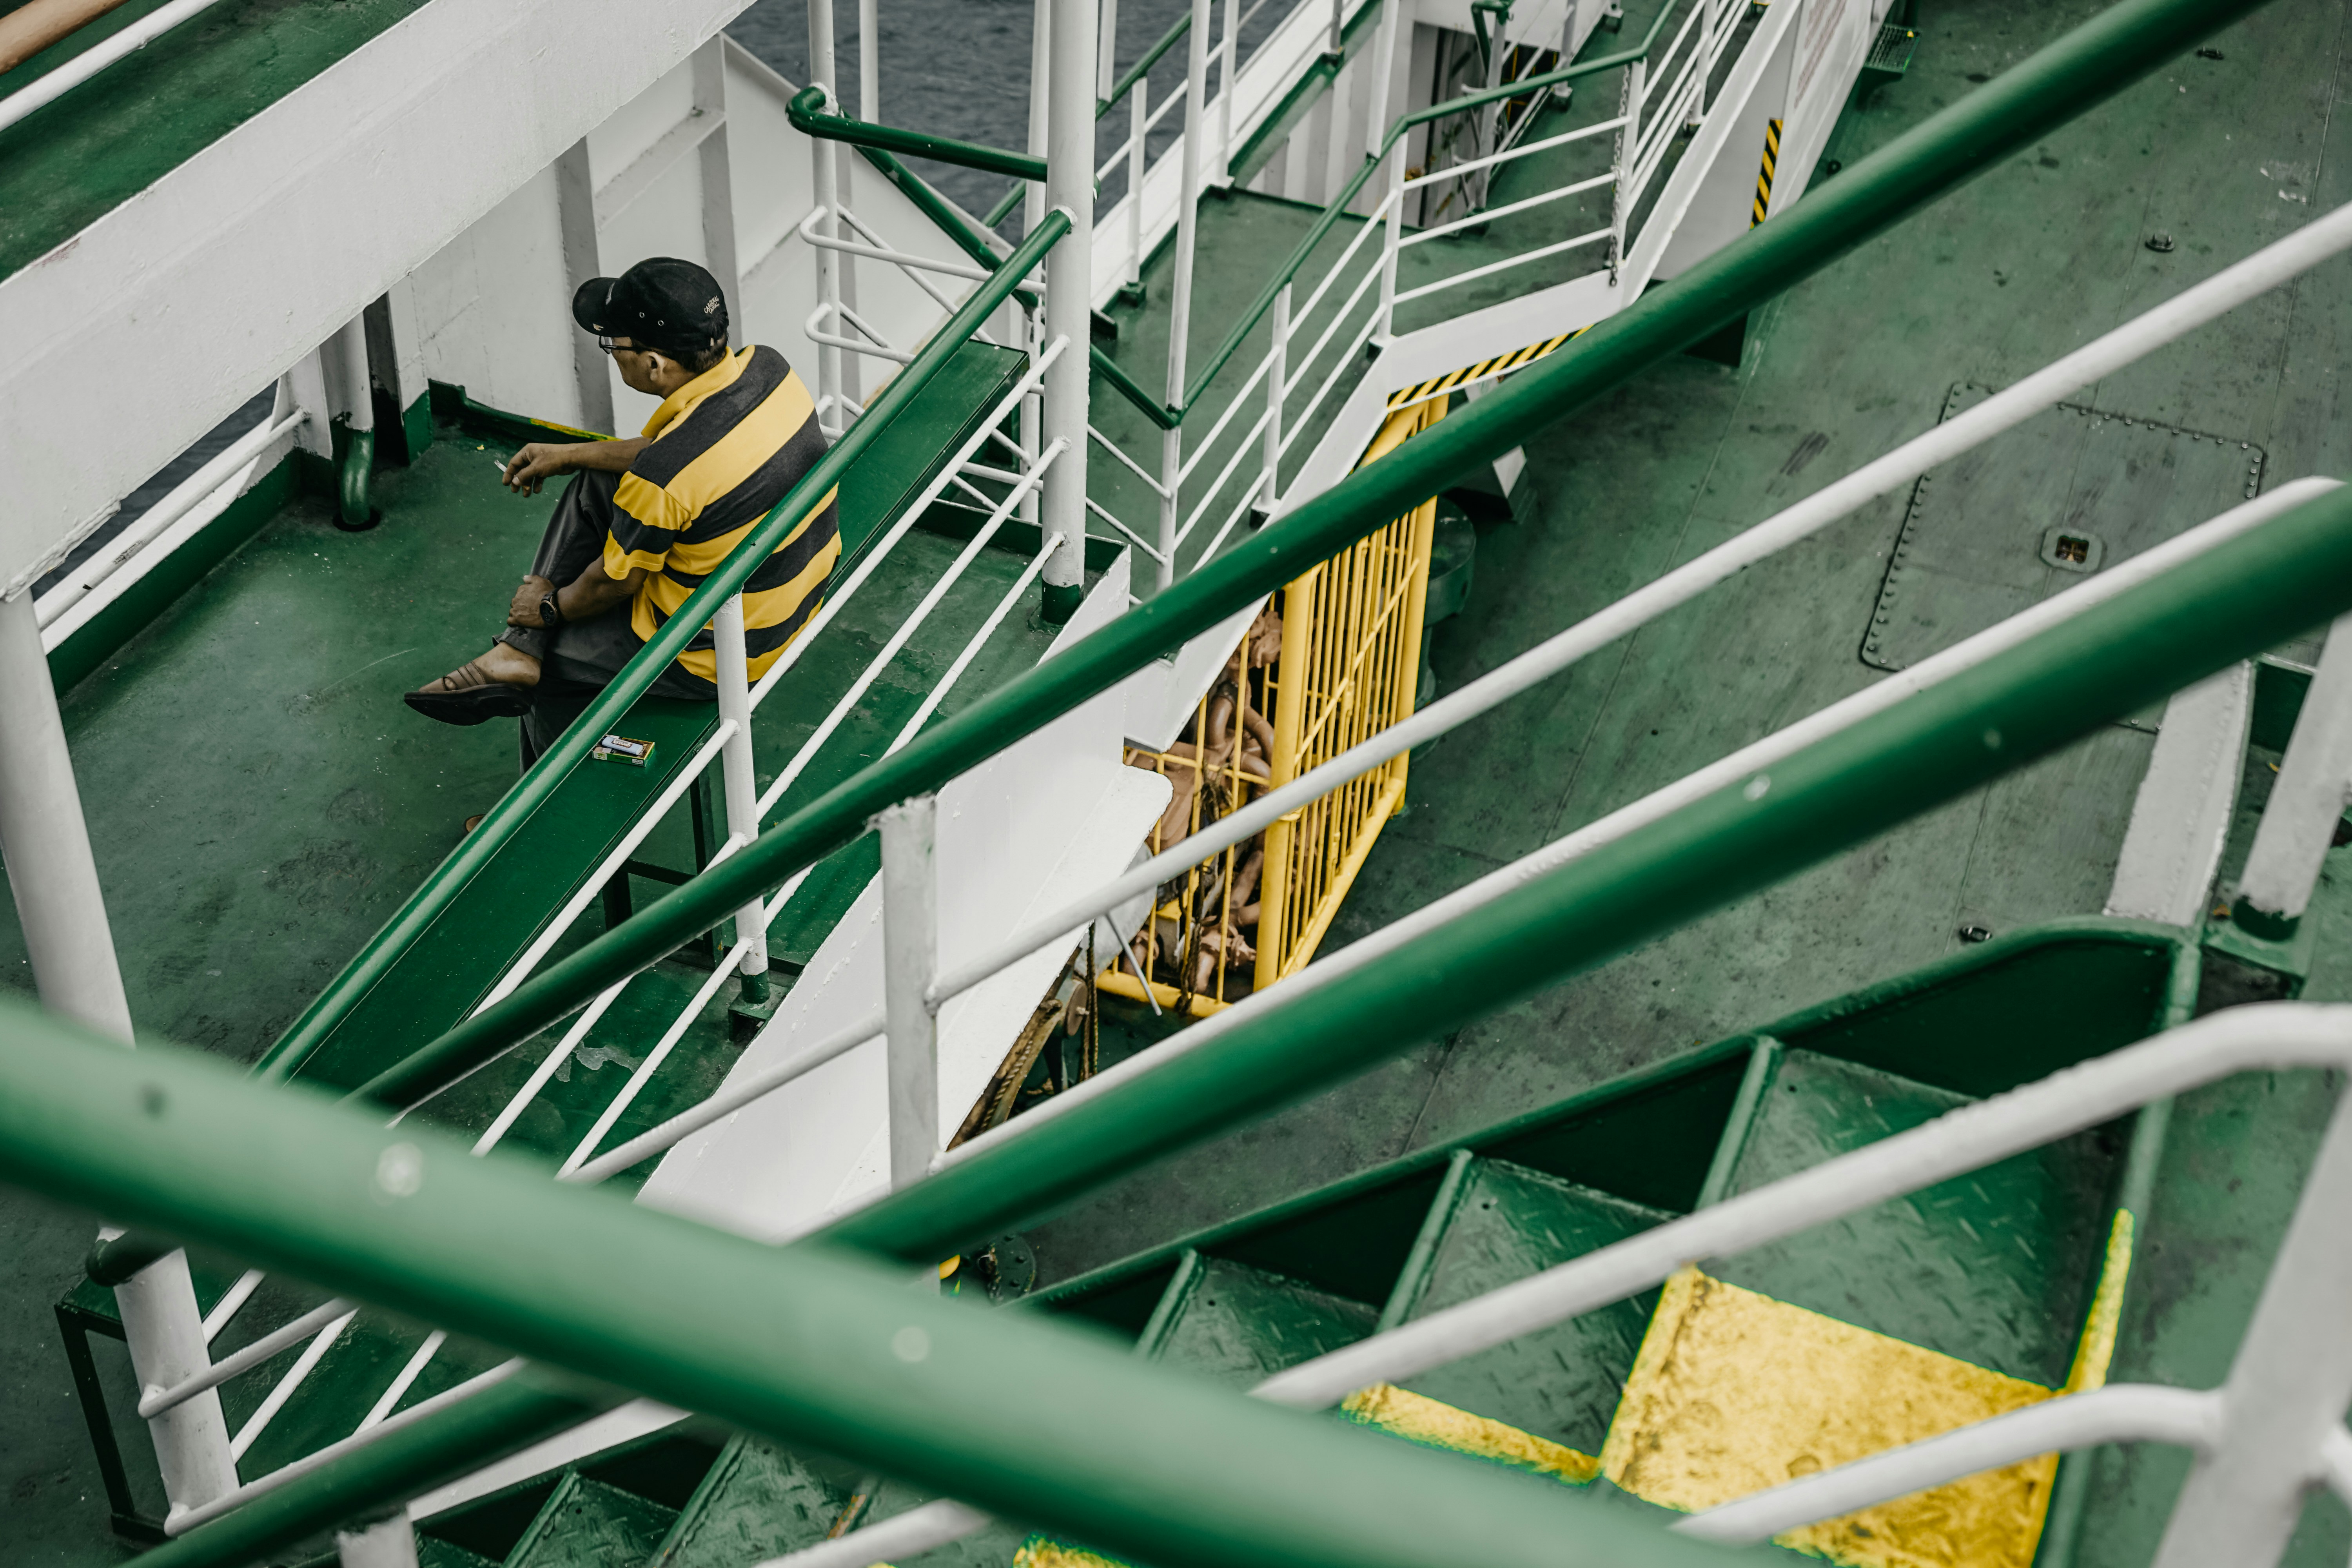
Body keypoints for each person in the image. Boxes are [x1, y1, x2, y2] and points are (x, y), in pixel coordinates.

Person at [405, 258, 840, 772]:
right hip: (796, 588)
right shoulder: (769, 368)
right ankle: (518, 652)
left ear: (654, 365)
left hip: (723, 655)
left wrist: (547, 610)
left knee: (556, 666)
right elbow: (679, 452)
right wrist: (568, 454)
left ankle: (538, 807)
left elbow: (613, 586)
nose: (612, 356)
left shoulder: (663, 479)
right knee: (596, 479)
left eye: (614, 347)